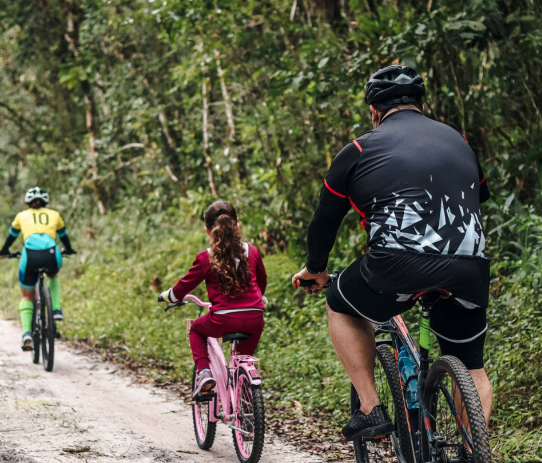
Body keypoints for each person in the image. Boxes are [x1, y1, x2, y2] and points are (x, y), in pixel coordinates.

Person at [291, 65, 493, 442]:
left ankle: (371, 409)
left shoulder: (358, 150)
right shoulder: (459, 141)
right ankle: (474, 461)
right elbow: (477, 195)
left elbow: (324, 221)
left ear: (374, 112)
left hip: (397, 266)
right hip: (470, 266)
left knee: (340, 304)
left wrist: (316, 269)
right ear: (420, 104)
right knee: (473, 369)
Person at [160, 201, 267, 399]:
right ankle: (246, 400)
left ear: (208, 230)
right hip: (255, 317)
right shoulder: (251, 251)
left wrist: (169, 296)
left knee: (196, 329)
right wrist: (259, 299)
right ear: (236, 225)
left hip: (222, 319)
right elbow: (262, 282)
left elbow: (183, 286)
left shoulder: (206, 258)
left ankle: (204, 373)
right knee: (243, 359)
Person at [0, 187, 76, 350]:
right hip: (51, 254)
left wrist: (4, 251)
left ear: (28, 203)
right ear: (45, 202)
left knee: (26, 295)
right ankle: (56, 309)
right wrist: (68, 249)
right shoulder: (55, 215)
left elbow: (11, 237)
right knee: (53, 275)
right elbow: (64, 237)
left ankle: (27, 334)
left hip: (30, 255)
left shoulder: (21, 216)